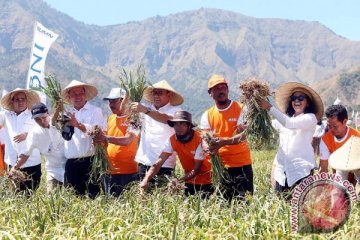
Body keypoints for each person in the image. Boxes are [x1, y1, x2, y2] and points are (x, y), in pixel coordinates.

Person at [259, 82, 324, 195]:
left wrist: (269, 107)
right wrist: (257, 113)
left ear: (308, 103)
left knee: (298, 208)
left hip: (301, 172)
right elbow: (269, 125)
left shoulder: (310, 118)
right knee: (282, 206)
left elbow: (290, 123)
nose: (296, 101)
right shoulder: (285, 120)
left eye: (301, 98)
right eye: (294, 98)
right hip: (282, 174)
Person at [200, 74, 253, 200]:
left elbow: (245, 135)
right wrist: (207, 147)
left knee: (244, 204)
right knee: (223, 205)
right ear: (210, 92)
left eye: (223, 87)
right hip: (220, 167)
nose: (221, 90)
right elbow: (205, 139)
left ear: (228, 90)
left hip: (241, 165)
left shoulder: (241, 109)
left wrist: (224, 142)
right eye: (217, 88)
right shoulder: (207, 115)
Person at [139, 111, 213, 197]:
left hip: (206, 181)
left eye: (182, 124)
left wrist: (178, 181)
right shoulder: (172, 140)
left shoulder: (200, 140)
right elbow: (159, 162)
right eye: (176, 124)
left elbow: (196, 170)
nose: (178, 127)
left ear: (189, 126)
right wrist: (146, 180)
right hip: (189, 180)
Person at [130, 80, 183, 180]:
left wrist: (146, 111)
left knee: (162, 193)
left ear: (169, 94)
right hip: (144, 160)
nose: (156, 96)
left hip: (164, 163)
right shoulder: (144, 110)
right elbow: (133, 127)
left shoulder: (176, 111)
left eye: (160, 93)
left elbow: (167, 119)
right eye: (154, 93)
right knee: (143, 192)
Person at [61, 80, 104, 197]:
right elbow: (65, 136)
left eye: (80, 93)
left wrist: (78, 125)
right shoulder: (66, 114)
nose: (77, 97)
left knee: (94, 196)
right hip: (71, 162)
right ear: (69, 97)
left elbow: (98, 133)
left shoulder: (95, 111)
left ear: (85, 95)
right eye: (74, 94)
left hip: (90, 161)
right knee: (74, 198)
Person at [94, 88, 139, 197]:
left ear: (124, 101)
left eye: (114, 101)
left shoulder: (134, 119)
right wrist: (98, 140)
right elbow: (106, 140)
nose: (111, 104)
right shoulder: (110, 118)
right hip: (109, 171)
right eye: (110, 101)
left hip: (128, 171)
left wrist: (106, 138)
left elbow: (128, 140)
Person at [15, 103, 66, 192]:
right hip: (54, 171)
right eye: (37, 119)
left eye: (43, 117)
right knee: (52, 198)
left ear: (48, 113)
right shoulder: (34, 133)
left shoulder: (61, 122)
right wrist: (15, 168)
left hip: (70, 166)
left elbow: (55, 122)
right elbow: (25, 154)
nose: (42, 121)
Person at [0, 88, 41, 193]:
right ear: (12, 101)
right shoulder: (6, 116)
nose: (21, 102)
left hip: (31, 163)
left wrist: (27, 134)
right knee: (15, 195)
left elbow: (43, 131)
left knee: (30, 194)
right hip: (13, 163)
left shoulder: (34, 115)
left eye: (23, 99)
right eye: (17, 99)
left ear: (26, 101)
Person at [319, 105, 360, 184]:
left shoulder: (357, 137)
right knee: (337, 191)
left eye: (335, 126)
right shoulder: (325, 139)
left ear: (345, 121)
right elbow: (323, 168)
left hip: (357, 169)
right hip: (339, 173)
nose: (331, 129)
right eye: (329, 126)